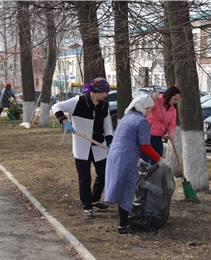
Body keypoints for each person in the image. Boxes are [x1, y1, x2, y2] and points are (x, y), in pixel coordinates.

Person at [104, 94, 169, 234]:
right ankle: (123, 226)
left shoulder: (127, 117)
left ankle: (123, 222)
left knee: (122, 190)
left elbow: (128, 139)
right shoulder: (142, 121)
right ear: (144, 108)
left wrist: (138, 158)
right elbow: (145, 145)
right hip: (126, 158)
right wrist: (159, 159)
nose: (151, 112)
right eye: (151, 109)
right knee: (127, 190)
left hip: (115, 155)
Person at [51, 77, 114, 219]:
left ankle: (95, 198)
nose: (106, 95)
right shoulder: (78, 101)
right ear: (96, 91)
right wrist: (65, 121)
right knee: (84, 178)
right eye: (104, 92)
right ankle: (87, 207)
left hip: (99, 145)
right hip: (82, 145)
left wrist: (110, 140)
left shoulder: (104, 106)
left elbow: (107, 125)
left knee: (104, 174)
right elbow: (56, 107)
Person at [140, 86, 181, 165]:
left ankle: (154, 177)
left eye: (177, 100)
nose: (176, 102)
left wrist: (171, 133)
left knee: (158, 162)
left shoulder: (173, 110)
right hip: (147, 136)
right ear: (169, 95)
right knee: (144, 161)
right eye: (175, 99)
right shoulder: (157, 100)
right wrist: (152, 97)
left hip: (158, 138)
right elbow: (143, 103)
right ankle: (140, 177)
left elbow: (171, 124)